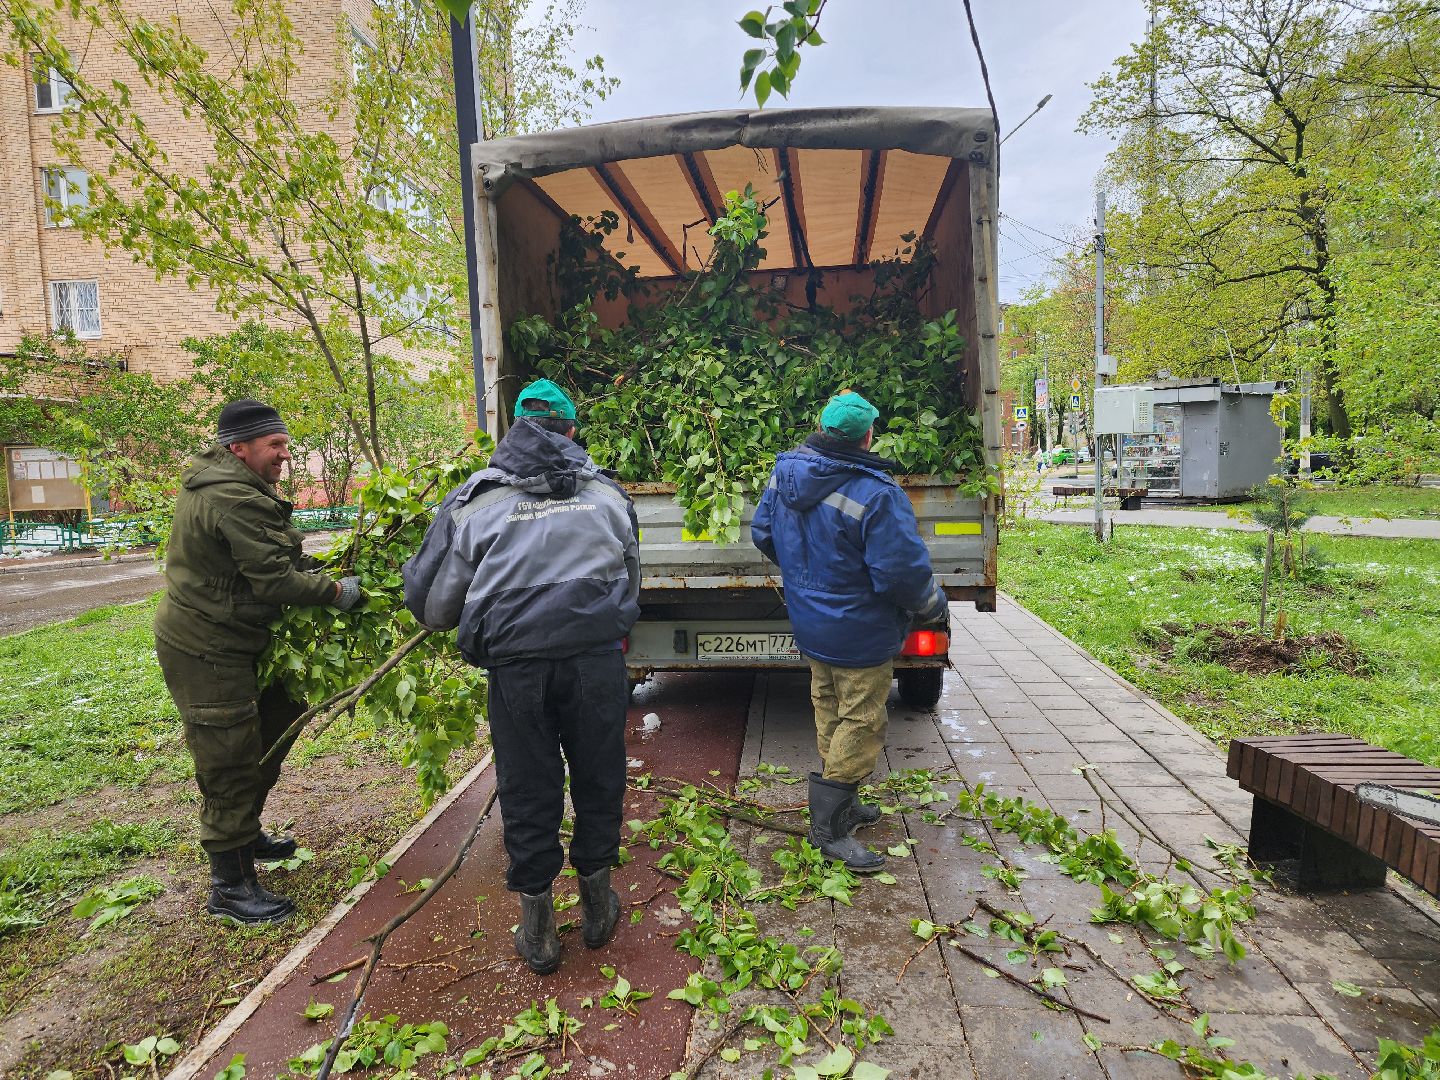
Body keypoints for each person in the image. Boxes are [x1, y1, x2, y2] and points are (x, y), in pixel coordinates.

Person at [402, 379, 640, 975]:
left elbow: (431, 608)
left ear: (512, 427)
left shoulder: (474, 503)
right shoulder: (609, 496)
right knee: (599, 775)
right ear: (571, 430)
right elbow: (632, 583)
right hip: (596, 664)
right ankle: (596, 908)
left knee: (528, 785)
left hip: (517, 673)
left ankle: (538, 931)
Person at [154, 399, 361, 925]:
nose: (284, 455)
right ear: (238, 447)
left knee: (273, 725)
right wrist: (337, 590)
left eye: (285, 444)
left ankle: (246, 835)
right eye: (275, 445)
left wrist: (324, 566)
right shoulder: (229, 496)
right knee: (228, 753)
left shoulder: (238, 485)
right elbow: (275, 580)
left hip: (238, 636)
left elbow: (271, 558)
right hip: (206, 644)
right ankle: (230, 884)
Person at [751, 391, 949, 872]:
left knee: (828, 704)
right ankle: (829, 827)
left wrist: (805, 579)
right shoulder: (876, 493)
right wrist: (932, 606)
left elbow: (763, 533)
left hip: (811, 623)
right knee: (863, 718)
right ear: (867, 435)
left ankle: (843, 799)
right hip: (861, 630)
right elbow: (901, 573)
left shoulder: (786, 474)